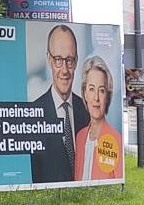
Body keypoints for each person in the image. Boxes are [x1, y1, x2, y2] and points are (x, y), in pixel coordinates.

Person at [28, 24, 88, 183]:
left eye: (69, 60)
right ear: (49, 59)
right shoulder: (33, 114)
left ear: (76, 61)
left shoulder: (88, 110)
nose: (65, 69)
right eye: (58, 60)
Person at [74, 56, 123, 181]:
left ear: (107, 96)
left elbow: (116, 186)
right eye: (91, 89)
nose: (96, 98)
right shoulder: (80, 137)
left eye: (101, 91)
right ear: (84, 93)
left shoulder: (114, 138)